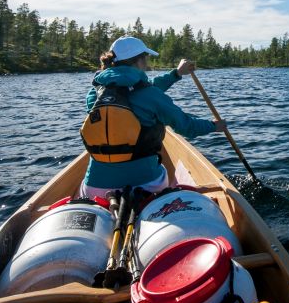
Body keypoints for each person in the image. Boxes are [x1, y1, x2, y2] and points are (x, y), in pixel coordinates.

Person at [79, 36, 224, 199]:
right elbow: (186, 127)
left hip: (95, 187)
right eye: (145, 57)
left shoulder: (94, 94)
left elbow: (137, 93)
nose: (147, 63)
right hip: (147, 185)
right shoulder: (151, 95)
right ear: (139, 61)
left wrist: (176, 74)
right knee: (164, 175)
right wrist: (214, 126)